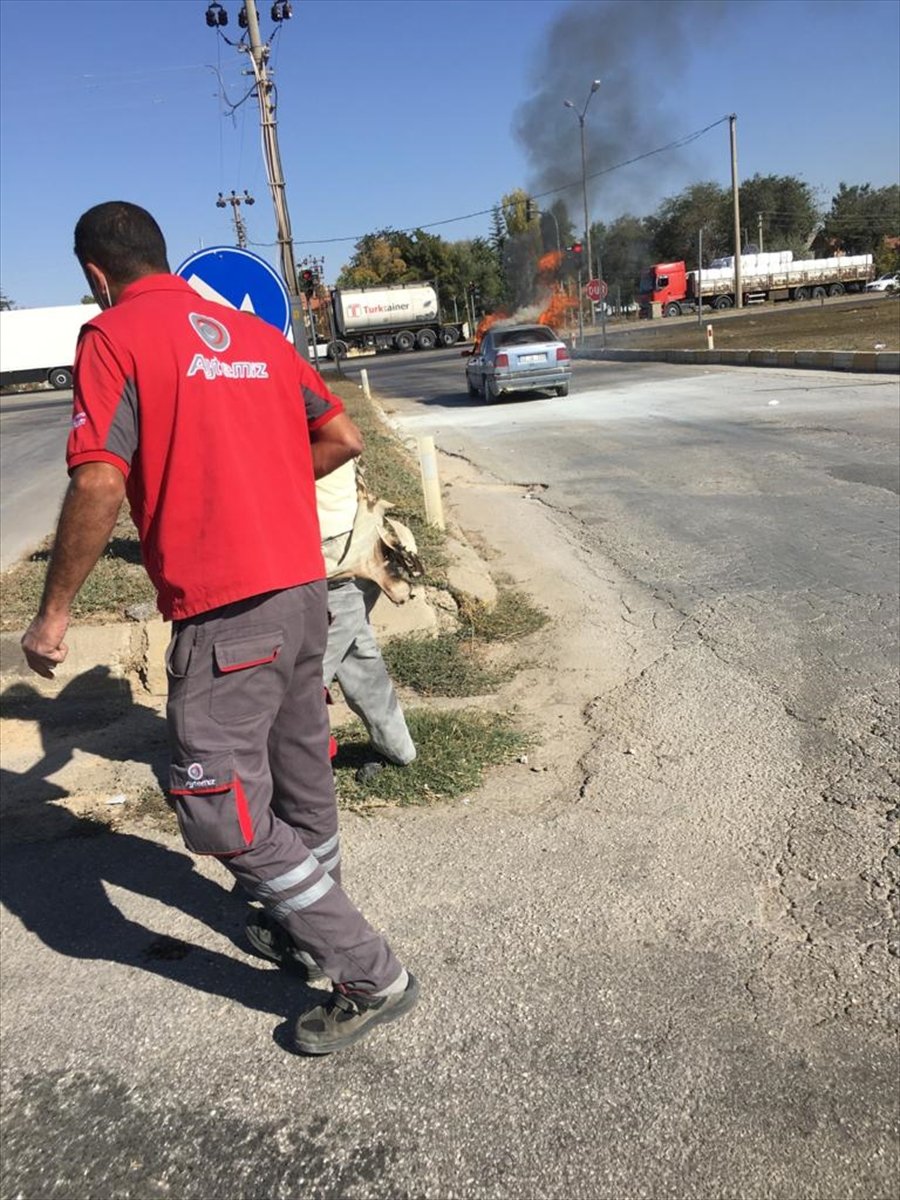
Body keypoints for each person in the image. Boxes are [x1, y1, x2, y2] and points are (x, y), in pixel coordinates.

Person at [21, 201, 418, 1056]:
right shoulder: (260, 338)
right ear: (163, 257)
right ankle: (304, 929)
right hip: (304, 592)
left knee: (214, 807)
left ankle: (368, 971)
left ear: (96, 274)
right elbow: (341, 435)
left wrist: (53, 613)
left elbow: (97, 482)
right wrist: (265, 487)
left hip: (227, 608)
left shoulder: (115, 337)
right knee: (299, 775)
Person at [317, 459, 417, 781]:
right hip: (352, 558)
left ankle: (302, 772)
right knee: (358, 658)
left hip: (337, 566)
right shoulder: (316, 419)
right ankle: (397, 748)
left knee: (303, 676)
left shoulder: (305, 422)